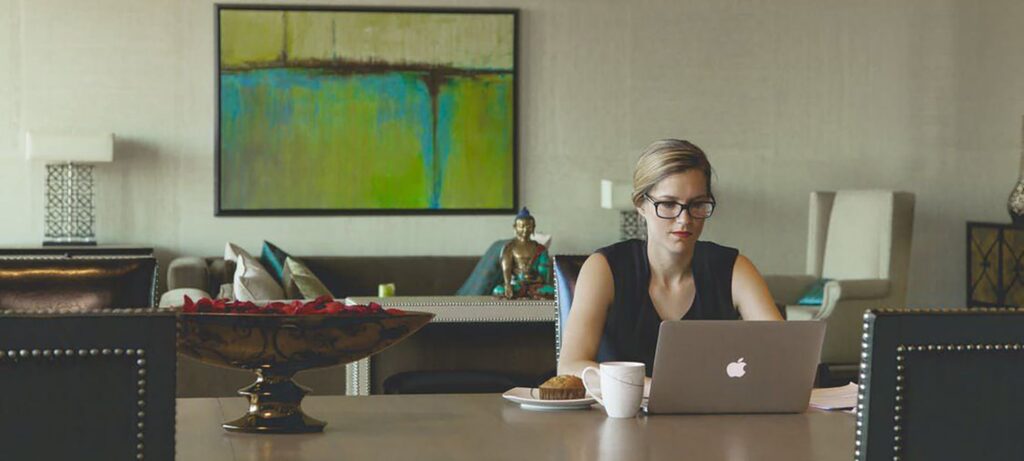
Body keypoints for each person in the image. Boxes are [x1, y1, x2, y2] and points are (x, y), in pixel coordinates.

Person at [557, 139, 782, 381]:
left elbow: (785, 353)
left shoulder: (734, 268)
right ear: (641, 205)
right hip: (620, 416)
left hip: (711, 416)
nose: (684, 219)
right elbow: (570, 366)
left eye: (697, 205)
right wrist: (651, 389)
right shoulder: (604, 267)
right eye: (668, 204)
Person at [492, 207, 555, 299]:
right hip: (517, 284)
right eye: (521, 226)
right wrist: (507, 284)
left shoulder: (540, 249)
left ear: (533, 227)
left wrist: (536, 278)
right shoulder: (509, 247)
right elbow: (507, 268)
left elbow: (544, 274)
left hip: (535, 285)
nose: (525, 229)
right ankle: (529, 295)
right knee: (498, 290)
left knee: (551, 290)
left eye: (528, 226)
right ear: (515, 227)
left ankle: (528, 294)